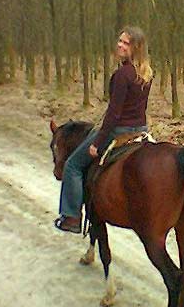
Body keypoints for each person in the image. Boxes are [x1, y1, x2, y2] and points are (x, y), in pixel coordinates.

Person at [55, 26, 153, 234]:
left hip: (119, 130)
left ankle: (71, 216)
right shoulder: (146, 74)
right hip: (141, 129)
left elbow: (114, 115)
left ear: (136, 47)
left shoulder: (122, 75)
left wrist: (97, 143)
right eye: (119, 41)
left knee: (72, 164)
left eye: (126, 43)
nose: (120, 45)